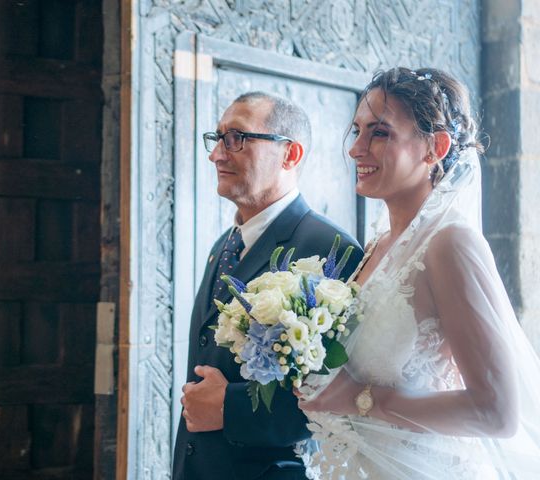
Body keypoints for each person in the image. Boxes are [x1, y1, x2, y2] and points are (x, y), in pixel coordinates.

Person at [297, 67, 540, 479]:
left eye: (379, 133)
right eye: (356, 131)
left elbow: (497, 413)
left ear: (435, 147)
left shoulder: (450, 243)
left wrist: (361, 398)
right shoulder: (377, 244)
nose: (356, 149)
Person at [172, 91, 363, 480]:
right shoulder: (223, 246)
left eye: (237, 138)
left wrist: (229, 407)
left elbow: (346, 398)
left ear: (290, 155)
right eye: (218, 138)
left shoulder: (331, 250)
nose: (217, 155)